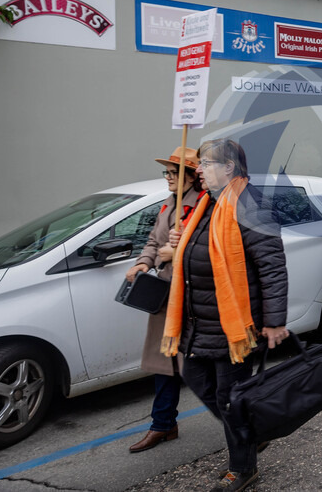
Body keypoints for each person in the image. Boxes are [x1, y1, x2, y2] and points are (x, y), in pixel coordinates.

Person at [163, 139, 287, 492]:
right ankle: (250, 432)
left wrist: (275, 321)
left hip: (234, 325)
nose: (198, 170)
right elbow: (200, 252)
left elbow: (272, 266)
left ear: (229, 168)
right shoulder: (207, 203)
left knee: (230, 398)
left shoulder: (250, 203)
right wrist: (181, 239)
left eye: (205, 164)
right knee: (196, 376)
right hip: (201, 321)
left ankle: (243, 467)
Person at [125, 147, 202, 454]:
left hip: (194, 297)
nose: (169, 178)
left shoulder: (203, 205)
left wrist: (177, 252)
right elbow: (153, 242)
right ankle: (163, 424)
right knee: (164, 363)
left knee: (202, 370)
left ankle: (244, 425)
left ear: (192, 176)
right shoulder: (168, 204)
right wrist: (145, 262)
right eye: (167, 173)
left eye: (175, 173)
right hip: (166, 294)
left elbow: (206, 247)